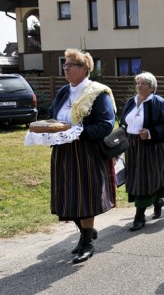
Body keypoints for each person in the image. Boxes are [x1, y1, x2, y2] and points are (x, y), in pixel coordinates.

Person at [48, 49, 116, 264]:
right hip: (63, 152)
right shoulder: (63, 91)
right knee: (68, 196)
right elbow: (53, 115)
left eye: (71, 65)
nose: (65, 68)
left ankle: (87, 242)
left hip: (86, 152)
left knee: (84, 197)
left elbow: (106, 124)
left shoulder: (98, 92)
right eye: (65, 64)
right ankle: (86, 232)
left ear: (85, 69)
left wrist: (79, 132)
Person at [120, 72, 164, 232]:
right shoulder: (131, 101)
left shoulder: (159, 102)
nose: (139, 86)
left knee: (145, 180)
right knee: (136, 179)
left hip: (151, 147)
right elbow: (124, 122)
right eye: (138, 83)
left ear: (151, 87)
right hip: (132, 146)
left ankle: (139, 217)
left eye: (143, 83)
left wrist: (150, 132)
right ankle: (157, 200)